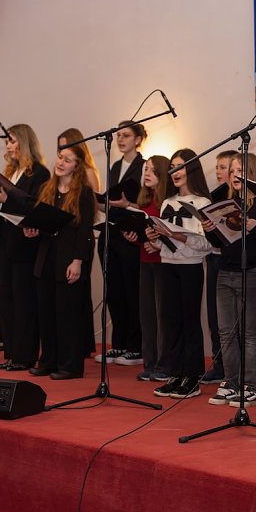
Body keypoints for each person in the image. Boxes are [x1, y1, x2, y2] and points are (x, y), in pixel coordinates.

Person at [204, 153, 256, 407]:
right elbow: (220, 243)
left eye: (240, 170)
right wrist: (211, 230)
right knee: (226, 332)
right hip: (226, 270)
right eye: (233, 171)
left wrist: (254, 227)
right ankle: (231, 381)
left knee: (248, 332)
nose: (235, 175)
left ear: (252, 173)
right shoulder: (228, 203)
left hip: (253, 271)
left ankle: (252, 385)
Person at [0, 124, 50, 371]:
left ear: (24, 142)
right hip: (6, 242)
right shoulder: (11, 172)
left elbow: (33, 207)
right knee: (7, 301)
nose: (8, 146)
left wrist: (6, 199)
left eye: (11, 140)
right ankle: (11, 353)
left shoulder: (39, 173)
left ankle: (25, 355)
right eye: (7, 141)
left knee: (24, 302)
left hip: (25, 244)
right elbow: (2, 210)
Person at [27, 140, 96, 380]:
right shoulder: (47, 189)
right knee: (46, 313)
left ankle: (70, 365)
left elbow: (85, 230)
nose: (60, 162)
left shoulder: (84, 193)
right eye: (59, 157)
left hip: (69, 257)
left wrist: (78, 260)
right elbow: (41, 222)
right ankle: (48, 360)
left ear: (76, 167)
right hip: (46, 257)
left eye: (67, 160)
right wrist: (32, 229)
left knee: (67, 314)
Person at [150, 149, 213, 398]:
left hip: (190, 267)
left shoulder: (203, 203)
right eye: (172, 167)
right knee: (170, 320)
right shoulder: (167, 202)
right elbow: (161, 245)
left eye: (180, 167)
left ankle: (192, 376)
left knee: (189, 321)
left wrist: (175, 234)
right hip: (168, 265)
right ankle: (175, 373)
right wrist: (155, 238)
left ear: (192, 169)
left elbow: (207, 244)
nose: (175, 172)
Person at [98, 121, 147, 366]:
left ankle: (136, 346)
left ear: (138, 139)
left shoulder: (145, 165)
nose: (120, 140)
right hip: (113, 231)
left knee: (132, 291)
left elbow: (147, 203)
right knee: (114, 291)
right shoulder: (115, 165)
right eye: (118, 135)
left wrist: (126, 205)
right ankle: (118, 344)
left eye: (126, 135)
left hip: (132, 234)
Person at [121, 156, 172, 382]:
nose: (148, 173)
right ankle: (150, 363)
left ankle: (164, 364)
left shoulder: (167, 202)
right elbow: (142, 233)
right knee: (147, 315)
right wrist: (134, 237)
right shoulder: (144, 201)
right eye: (146, 170)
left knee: (163, 315)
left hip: (163, 264)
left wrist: (156, 243)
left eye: (153, 170)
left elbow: (170, 234)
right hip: (145, 261)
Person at [58, 129, 98, 359]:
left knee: (78, 294)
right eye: (59, 152)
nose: (61, 159)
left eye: (67, 153)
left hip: (81, 239)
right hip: (64, 242)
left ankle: (81, 344)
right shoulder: (55, 185)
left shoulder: (86, 179)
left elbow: (87, 216)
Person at [201, 150, 235, 384]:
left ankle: (231, 366)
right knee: (214, 315)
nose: (220, 172)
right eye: (219, 167)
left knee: (229, 317)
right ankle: (218, 361)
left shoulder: (237, 198)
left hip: (230, 259)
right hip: (213, 258)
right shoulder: (213, 196)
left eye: (225, 168)